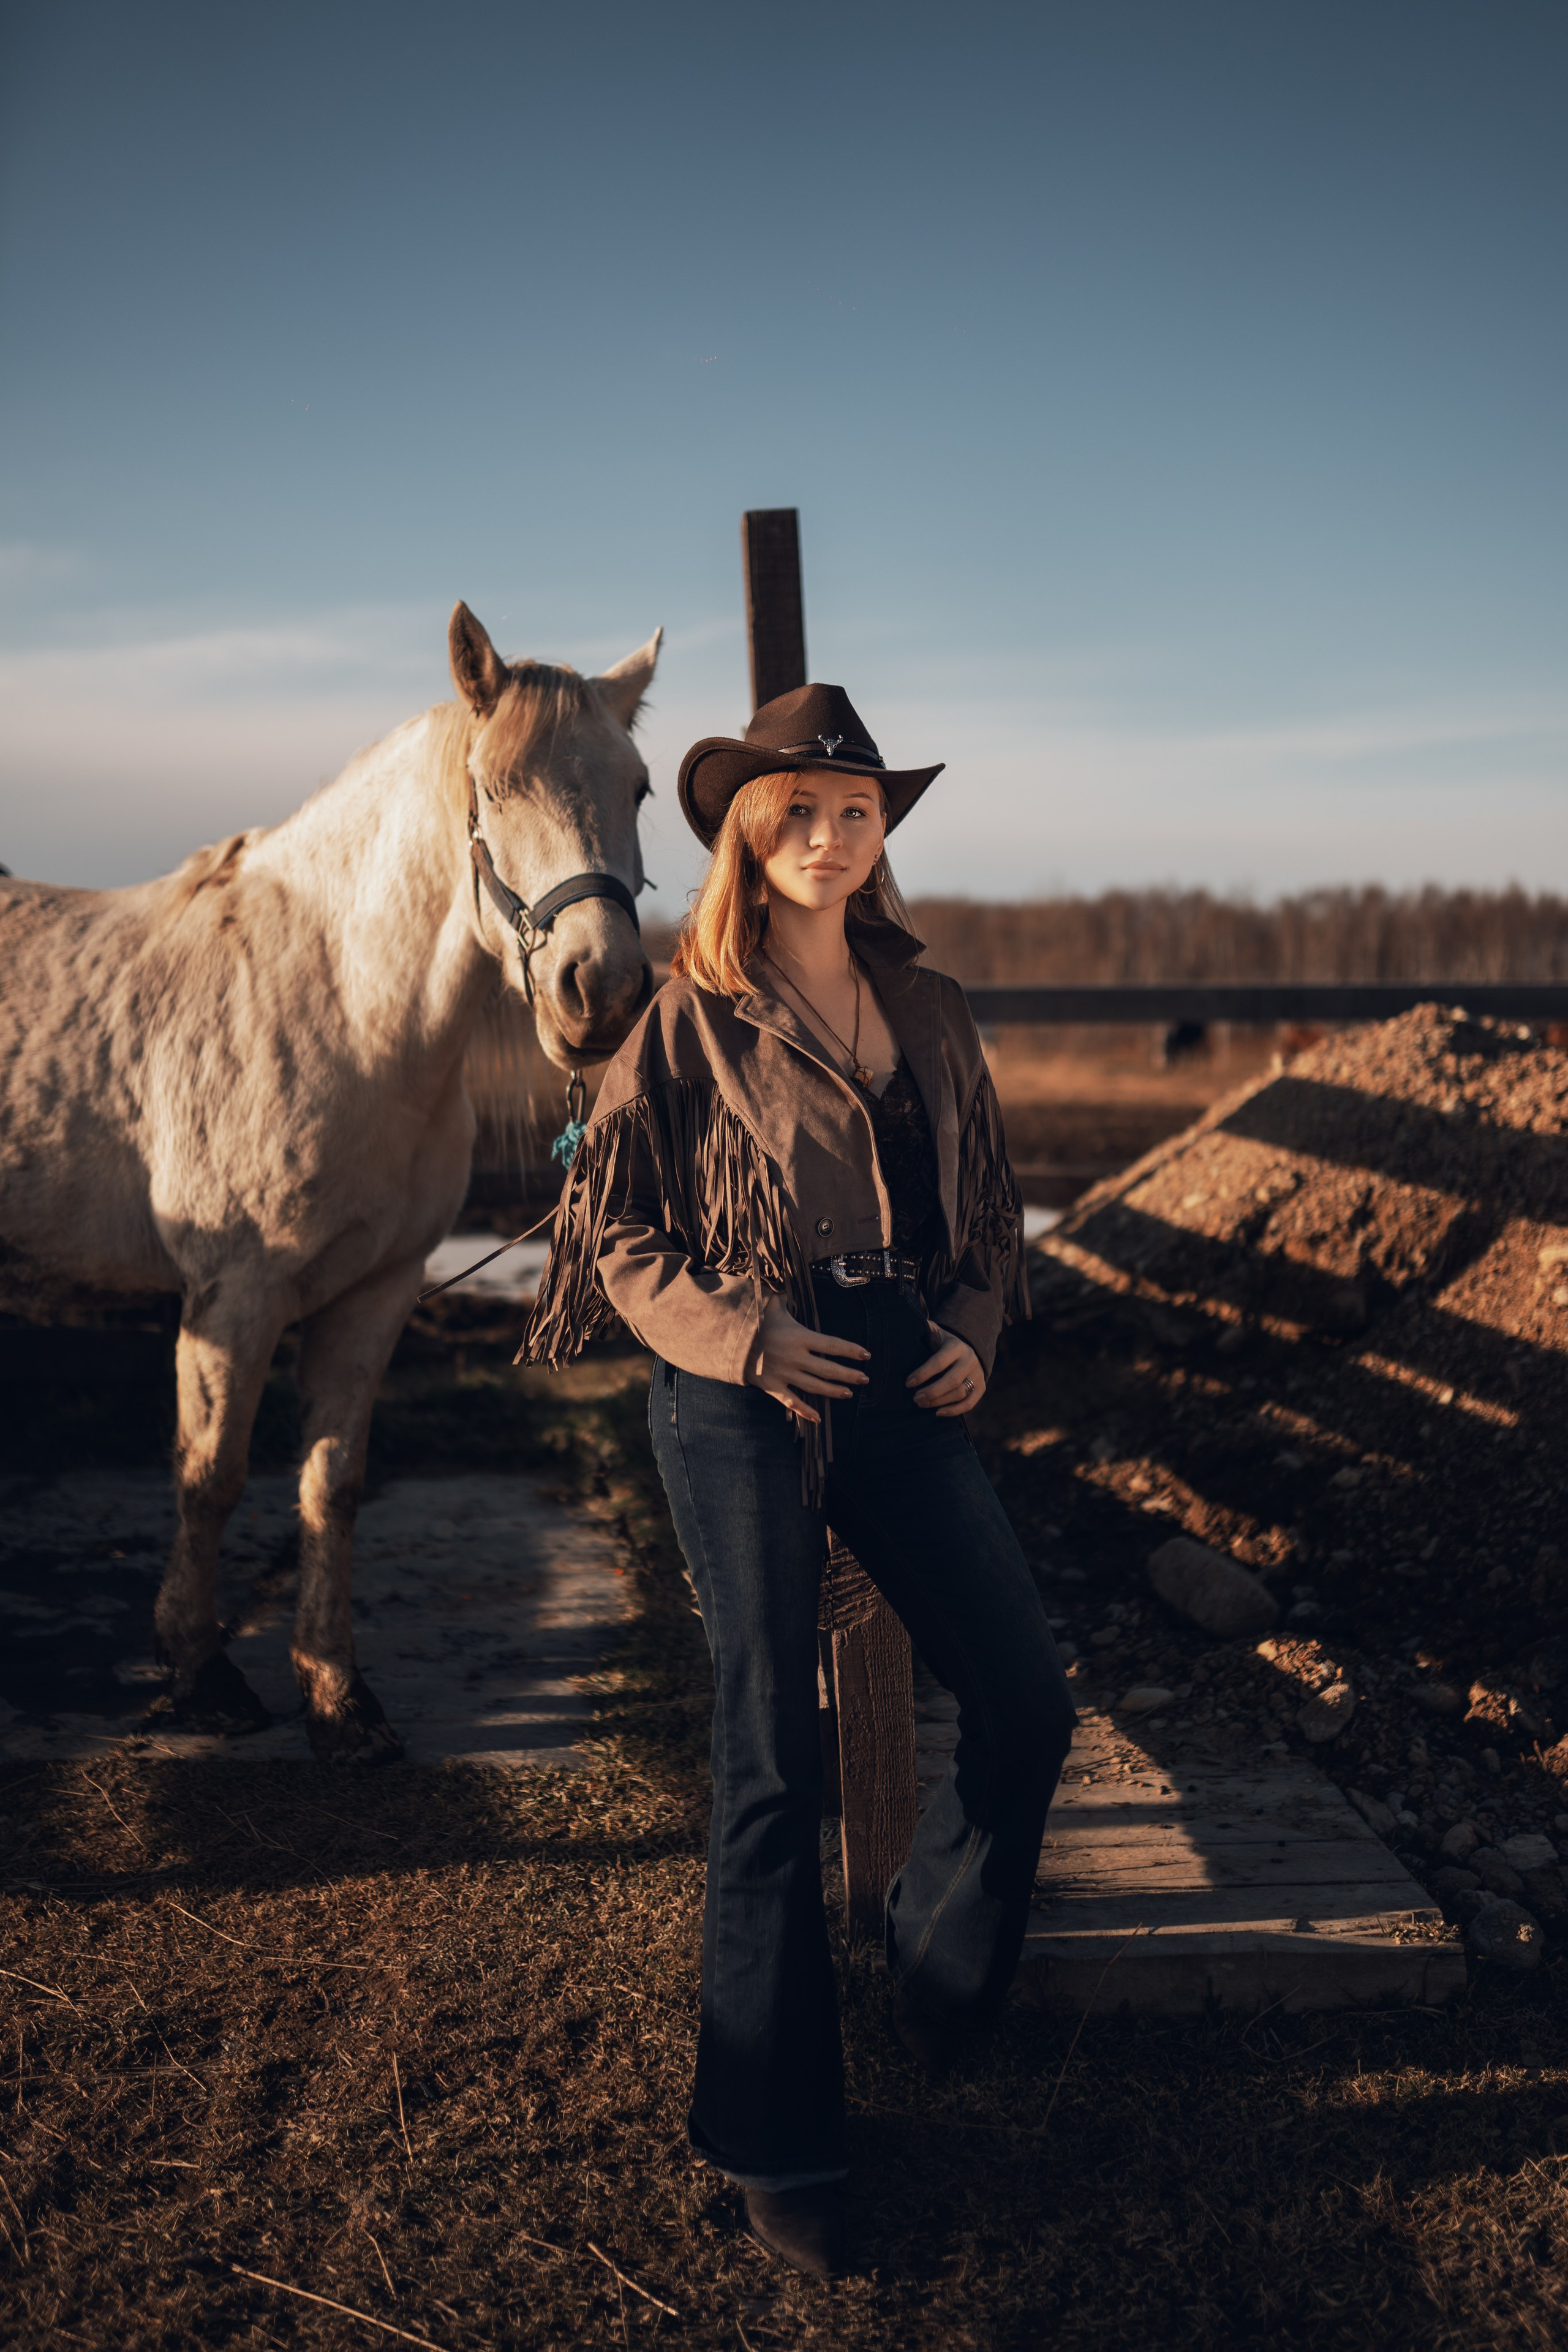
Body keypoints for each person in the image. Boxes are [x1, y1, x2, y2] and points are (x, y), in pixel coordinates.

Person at [521, 683, 1076, 2278]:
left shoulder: (938, 1006)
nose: (831, 838)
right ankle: (776, 2135)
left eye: (855, 810)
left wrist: (971, 1325)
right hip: (740, 1387)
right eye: (798, 815)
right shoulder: (683, 1020)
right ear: (748, 841)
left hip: (902, 1369)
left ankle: (936, 1958)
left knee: (1026, 1703)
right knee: (773, 1753)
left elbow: (994, 1210)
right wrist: (741, 1337)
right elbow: (612, 1232)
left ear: (881, 829)